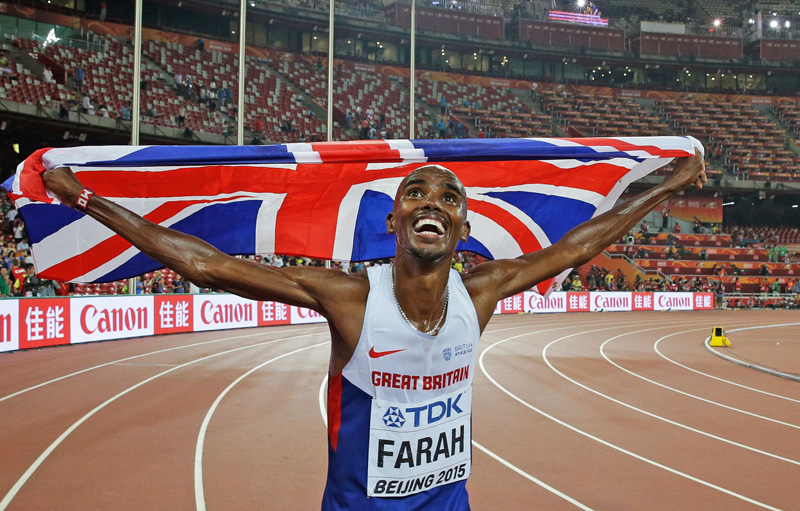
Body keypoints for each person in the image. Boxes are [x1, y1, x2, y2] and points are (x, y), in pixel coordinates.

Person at [41, 150, 705, 510]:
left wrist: (664, 188)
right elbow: (206, 264)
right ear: (393, 221)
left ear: (463, 230)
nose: (432, 204)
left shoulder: (483, 289)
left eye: (449, 197)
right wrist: (83, 198)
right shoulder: (350, 298)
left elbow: (577, 247)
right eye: (416, 193)